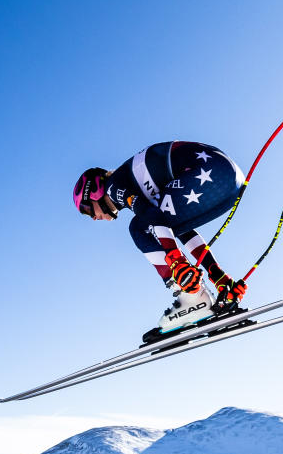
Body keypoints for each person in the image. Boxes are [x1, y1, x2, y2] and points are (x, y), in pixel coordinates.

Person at [72, 140, 247, 337]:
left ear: (94, 190)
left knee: (139, 227)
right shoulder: (130, 181)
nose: (93, 217)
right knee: (165, 225)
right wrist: (217, 276)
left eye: (87, 210)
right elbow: (175, 226)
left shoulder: (113, 187)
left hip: (208, 172)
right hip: (228, 177)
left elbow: (150, 214)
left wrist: (177, 261)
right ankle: (218, 282)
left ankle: (191, 295)